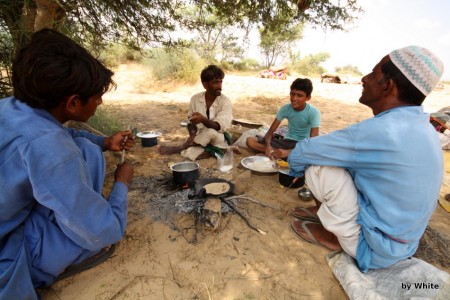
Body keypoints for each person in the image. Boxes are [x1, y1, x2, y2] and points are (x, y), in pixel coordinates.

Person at [0, 29, 135, 299]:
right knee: (93, 230)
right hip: (8, 250)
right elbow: (107, 230)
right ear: (73, 103)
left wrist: (105, 142)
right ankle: (39, 268)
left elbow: (65, 135)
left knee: (87, 148)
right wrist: (121, 183)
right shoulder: (52, 151)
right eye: (97, 97)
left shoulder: (11, 107)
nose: (99, 102)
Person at [285, 46, 444, 272]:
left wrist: (296, 170)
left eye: (373, 73)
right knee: (342, 159)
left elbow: (304, 151)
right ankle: (328, 215)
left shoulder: (381, 130)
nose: (364, 78)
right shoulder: (424, 127)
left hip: (373, 247)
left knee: (317, 163)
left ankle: (335, 235)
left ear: (387, 85)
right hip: (404, 245)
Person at [158, 65, 233, 160]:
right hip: (200, 137)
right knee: (192, 153)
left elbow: (218, 126)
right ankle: (210, 151)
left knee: (210, 132)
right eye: (215, 82)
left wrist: (203, 119)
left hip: (218, 137)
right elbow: (190, 122)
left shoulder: (225, 101)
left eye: (220, 82)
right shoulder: (195, 99)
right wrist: (192, 134)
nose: (219, 86)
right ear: (205, 85)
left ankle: (180, 148)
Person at [246, 78, 321, 159]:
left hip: (301, 145)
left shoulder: (313, 112)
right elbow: (270, 133)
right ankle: (278, 153)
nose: (294, 98)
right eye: (292, 94)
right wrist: (268, 146)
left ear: (308, 98)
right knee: (250, 141)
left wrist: (288, 152)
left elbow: (313, 142)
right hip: (286, 141)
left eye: (299, 95)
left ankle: (282, 154)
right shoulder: (285, 108)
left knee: (310, 152)